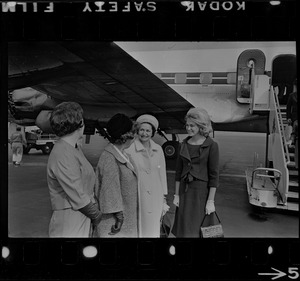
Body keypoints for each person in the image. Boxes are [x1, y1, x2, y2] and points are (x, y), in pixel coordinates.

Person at [47, 102, 102, 237]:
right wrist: (98, 216)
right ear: (79, 124)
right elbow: (77, 194)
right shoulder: (64, 153)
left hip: (80, 215)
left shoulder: (73, 148)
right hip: (70, 219)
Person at [171, 107, 220, 238]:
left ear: (200, 126)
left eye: (192, 125)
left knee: (199, 230)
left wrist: (211, 201)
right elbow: (178, 172)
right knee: (184, 228)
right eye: (187, 125)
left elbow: (214, 175)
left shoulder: (211, 145)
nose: (188, 128)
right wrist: (176, 195)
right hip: (184, 192)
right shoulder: (183, 144)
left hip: (201, 194)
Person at [94, 113, 138, 237]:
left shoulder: (122, 154)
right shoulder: (109, 157)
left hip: (126, 216)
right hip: (115, 223)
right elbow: (109, 190)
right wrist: (119, 217)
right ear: (127, 136)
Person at [125, 114, 169, 238]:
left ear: (153, 132)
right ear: (137, 131)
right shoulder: (129, 149)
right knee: (139, 229)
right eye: (142, 130)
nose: (144, 133)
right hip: (138, 195)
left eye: (148, 130)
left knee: (153, 228)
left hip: (155, 197)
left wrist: (164, 197)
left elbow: (162, 174)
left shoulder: (158, 149)